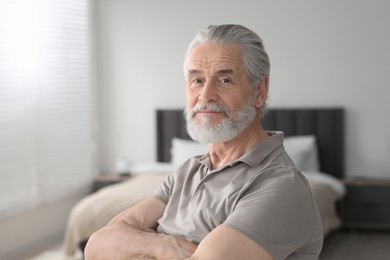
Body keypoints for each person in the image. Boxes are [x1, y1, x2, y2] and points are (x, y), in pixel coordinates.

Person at [85, 24, 323, 260]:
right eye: (197, 80)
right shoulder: (187, 172)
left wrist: (136, 244)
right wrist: (166, 246)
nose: (206, 95)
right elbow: (96, 246)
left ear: (259, 90)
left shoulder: (280, 185)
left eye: (225, 80)